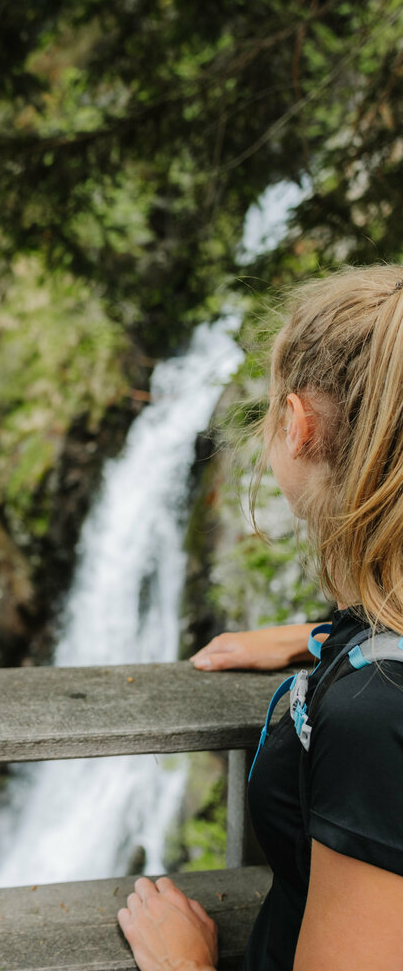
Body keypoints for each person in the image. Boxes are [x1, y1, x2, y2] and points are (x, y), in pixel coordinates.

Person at [118, 267, 403, 971]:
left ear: (299, 425)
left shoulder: (374, 716)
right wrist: (329, 639)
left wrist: (184, 965)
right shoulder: (373, 656)